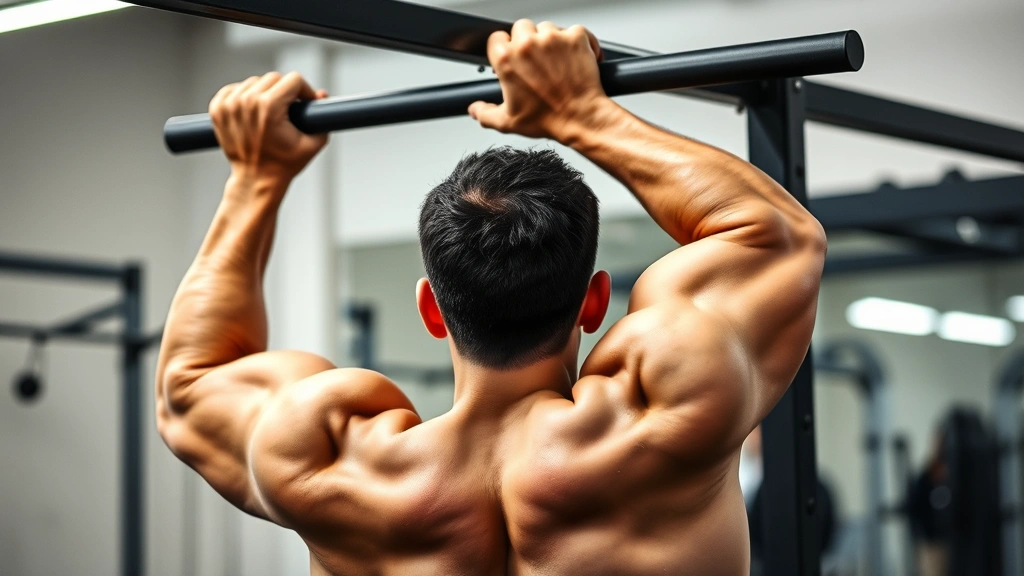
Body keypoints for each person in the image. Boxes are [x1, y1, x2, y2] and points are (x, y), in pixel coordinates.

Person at [156, 20, 826, 576]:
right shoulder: (659, 418)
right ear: (594, 303)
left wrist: (255, 178)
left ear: (431, 309)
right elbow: (777, 239)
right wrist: (583, 116)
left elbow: (189, 383)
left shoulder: (330, 465)